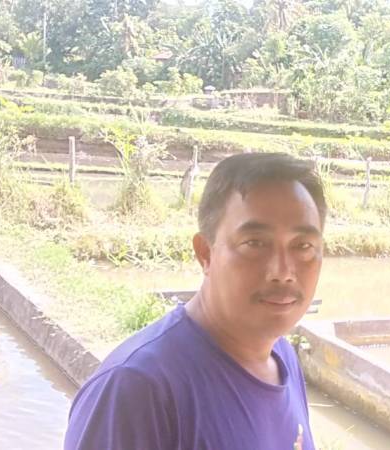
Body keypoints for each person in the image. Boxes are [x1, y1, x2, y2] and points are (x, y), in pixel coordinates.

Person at [64, 153, 326, 450]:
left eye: (303, 246)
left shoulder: (282, 356)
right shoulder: (137, 389)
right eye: (254, 243)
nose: (283, 272)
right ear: (205, 253)